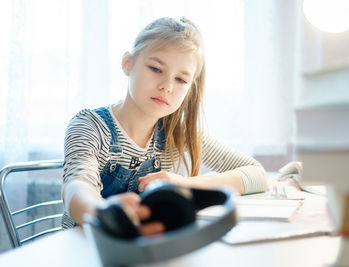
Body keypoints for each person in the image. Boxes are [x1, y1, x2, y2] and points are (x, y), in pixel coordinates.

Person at [61, 17, 268, 234]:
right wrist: (106, 213)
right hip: (86, 248)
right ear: (127, 64)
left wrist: (184, 183)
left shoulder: (178, 134)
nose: (167, 87)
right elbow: (77, 187)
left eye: (181, 80)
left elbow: (256, 174)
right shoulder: (90, 126)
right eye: (156, 68)